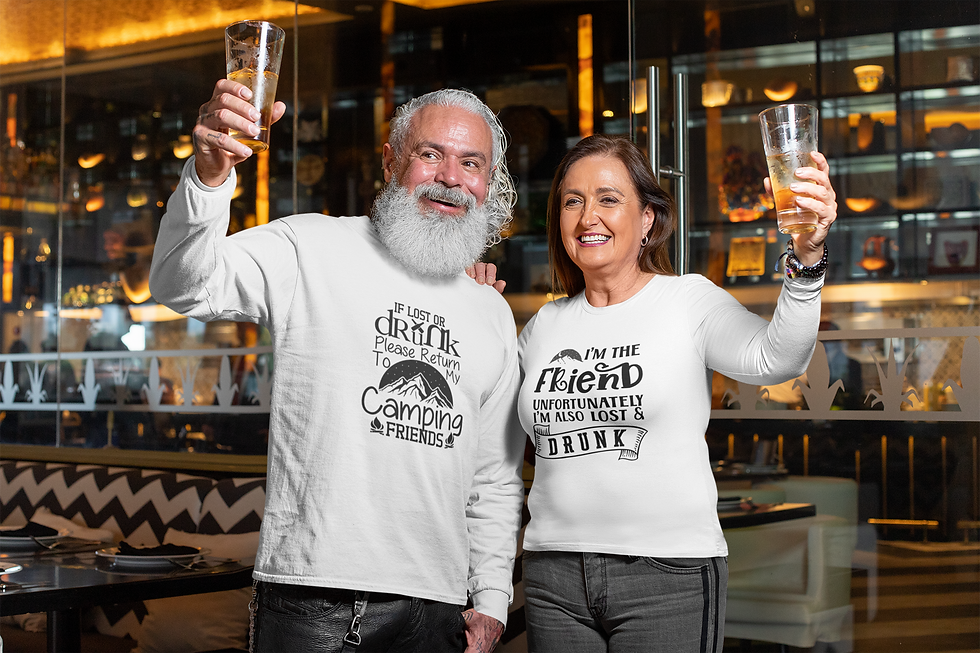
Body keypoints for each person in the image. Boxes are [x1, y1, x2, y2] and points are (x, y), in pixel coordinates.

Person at [149, 83, 526, 653]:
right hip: (315, 598)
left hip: (440, 608)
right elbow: (183, 286)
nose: (452, 176)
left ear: (488, 181)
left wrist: (492, 597)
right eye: (431, 154)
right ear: (392, 161)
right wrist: (209, 177)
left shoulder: (490, 310)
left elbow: (494, 477)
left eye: (470, 162)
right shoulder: (310, 246)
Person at [477, 133, 837, 652]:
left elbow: (778, 358)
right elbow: (488, 439)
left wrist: (807, 255)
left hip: (667, 573)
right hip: (554, 575)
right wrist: (471, 309)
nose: (587, 217)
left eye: (608, 198)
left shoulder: (686, 301)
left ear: (647, 218)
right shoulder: (542, 328)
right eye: (572, 201)